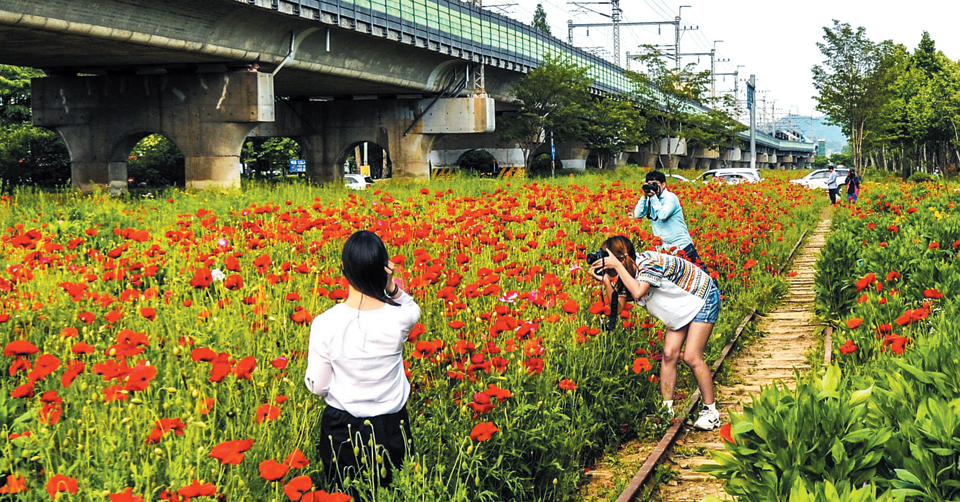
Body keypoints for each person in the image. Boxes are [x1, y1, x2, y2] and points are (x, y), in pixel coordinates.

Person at [305, 230, 421, 490]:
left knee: (346, 493)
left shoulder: (325, 324)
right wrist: (391, 286)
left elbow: (318, 387)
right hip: (392, 427)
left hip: (342, 429)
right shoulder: (400, 318)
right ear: (383, 269)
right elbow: (412, 307)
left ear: (343, 268)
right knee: (392, 493)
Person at [590, 235, 722, 431]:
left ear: (619, 258)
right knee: (669, 355)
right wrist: (606, 281)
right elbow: (617, 307)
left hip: (702, 296)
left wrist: (617, 267)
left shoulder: (649, 263)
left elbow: (638, 292)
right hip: (681, 306)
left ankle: (711, 413)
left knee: (692, 356)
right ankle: (666, 410)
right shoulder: (626, 273)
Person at [633, 170, 703, 267]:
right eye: (649, 184)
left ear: (663, 184)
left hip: (682, 247)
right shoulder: (650, 199)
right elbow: (637, 214)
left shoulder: (671, 198)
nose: (652, 187)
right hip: (664, 249)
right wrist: (644, 197)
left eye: (655, 184)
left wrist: (653, 198)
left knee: (699, 277)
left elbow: (663, 215)